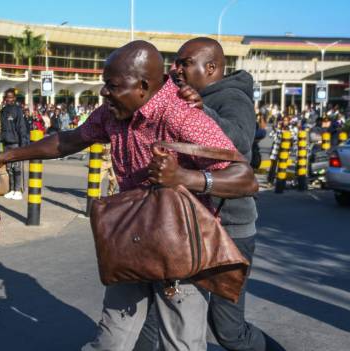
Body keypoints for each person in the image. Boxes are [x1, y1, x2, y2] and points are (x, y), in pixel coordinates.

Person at [0, 40, 258, 351]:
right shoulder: (111, 113)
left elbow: (244, 177)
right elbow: (68, 141)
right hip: (131, 237)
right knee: (111, 338)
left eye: (111, 86)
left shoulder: (181, 115)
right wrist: (8, 155)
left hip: (179, 247)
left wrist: (184, 177)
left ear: (142, 85)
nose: (103, 93)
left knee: (181, 343)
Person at [135, 37, 284, 351]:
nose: (176, 68)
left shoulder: (231, 97)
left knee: (229, 330)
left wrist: (203, 112)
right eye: (176, 62)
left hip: (229, 228)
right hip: (190, 226)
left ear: (212, 68)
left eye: (185, 62)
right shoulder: (183, 95)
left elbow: (240, 145)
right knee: (159, 313)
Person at [0, 88, 29, 200]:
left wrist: (23, 144)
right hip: (6, 143)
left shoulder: (18, 110)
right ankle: (11, 189)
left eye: (11, 97)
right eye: (7, 97)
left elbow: (22, 127)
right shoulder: (2, 111)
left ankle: (18, 190)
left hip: (16, 143)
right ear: (5, 99)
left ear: (14, 98)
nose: (9, 99)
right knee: (9, 169)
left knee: (17, 168)